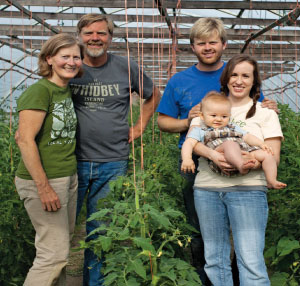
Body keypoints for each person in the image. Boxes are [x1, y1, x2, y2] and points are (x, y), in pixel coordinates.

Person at [156, 17, 277, 285]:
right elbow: (163, 121)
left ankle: (237, 277)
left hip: (243, 168)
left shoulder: (233, 77)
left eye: (213, 42)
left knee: (244, 242)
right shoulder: (180, 80)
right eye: (201, 43)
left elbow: (251, 113)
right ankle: (208, 280)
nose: (207, 47)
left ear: (223, 44)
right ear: (193, 46)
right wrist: (189, 122)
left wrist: (269, 107)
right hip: (198, 166)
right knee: (203, 233)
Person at [69, 13, 161, 286]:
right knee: (61, 231)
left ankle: (94, 283)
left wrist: (140, 125)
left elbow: (153, 94)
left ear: (110, 37)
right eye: (88, 33)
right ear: (79, 36)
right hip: (70, 161)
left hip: (113, 161)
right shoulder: (69, 66)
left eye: (101, 33)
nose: (95, 38)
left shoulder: (125, 67)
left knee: (101, 232)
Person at [190, 54, 283, 286]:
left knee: (250, 261)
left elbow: (273, 154)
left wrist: (249, 158)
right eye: (234, 74)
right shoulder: (208, 107)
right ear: (226, 78)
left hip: (248, 190)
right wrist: (214, 155)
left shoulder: (265, 113)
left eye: (245, 76)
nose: (239, 81)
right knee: (214, 259)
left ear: (254, 81)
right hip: (208, 189)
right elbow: (194, 140)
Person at [14, 33, 83, 286]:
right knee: (52, 255)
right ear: (49, 59)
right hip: (44, 181)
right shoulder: (40, 91)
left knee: (61, 250)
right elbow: (25, 140)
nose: (72, 62)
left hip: (66, 176)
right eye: (65, 56)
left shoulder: (64, 91)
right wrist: (43, 187)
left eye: (76, 57)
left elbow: (24, 132)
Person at [181, 91, 286, 189]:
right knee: (230, 144)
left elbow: (247, 136)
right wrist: (187, 159)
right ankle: (241, 166)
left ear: (229, 117)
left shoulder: (232, 126)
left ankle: (271, 180)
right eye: (213, 115)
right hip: (223, 158)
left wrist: (261, 144)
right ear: (202, 116)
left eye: (224, 116)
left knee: (267, 154)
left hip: (243, 152)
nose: (218, 119)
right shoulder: (200, 129)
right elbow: (188, 143)